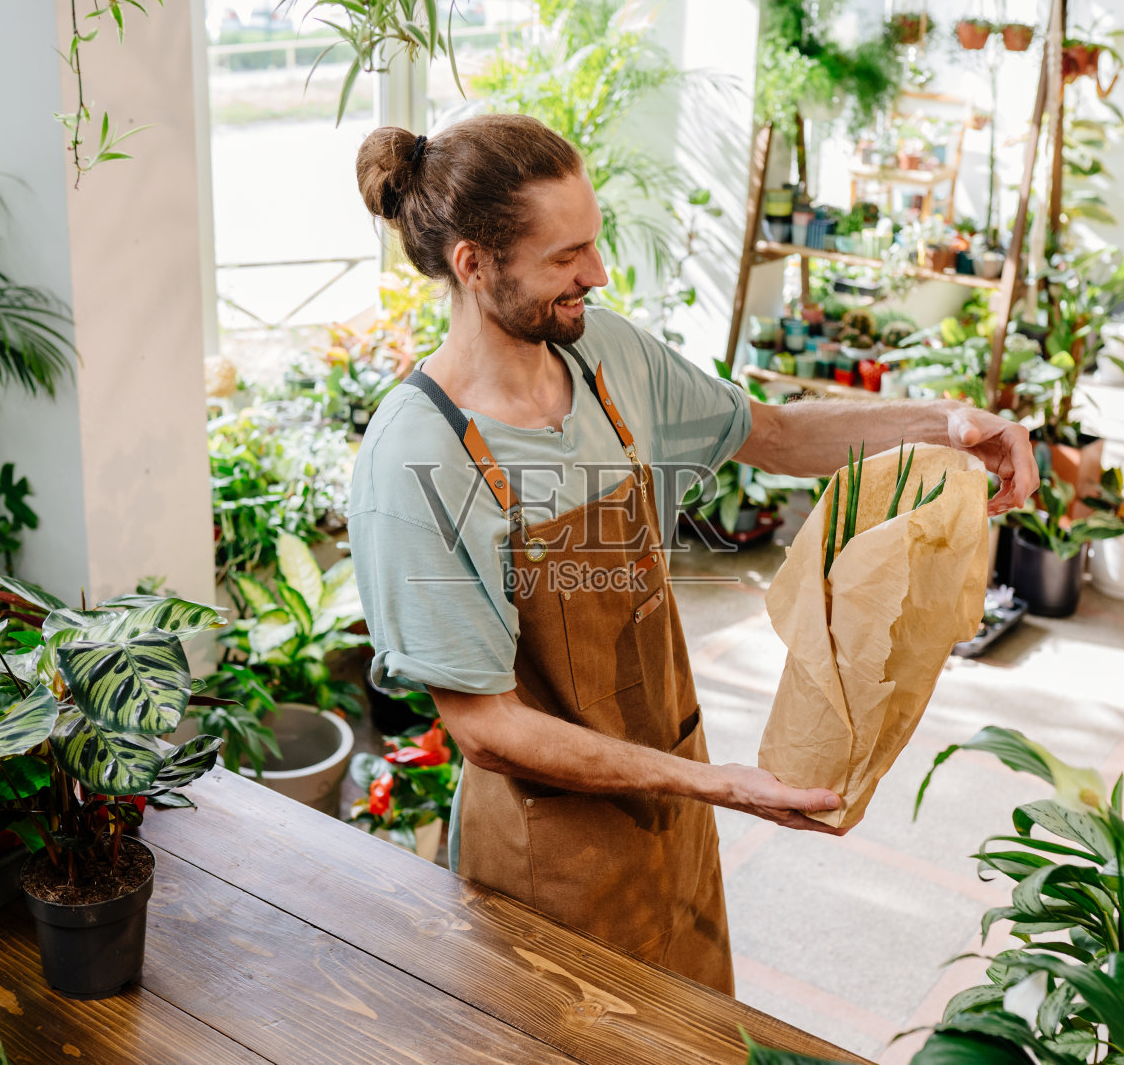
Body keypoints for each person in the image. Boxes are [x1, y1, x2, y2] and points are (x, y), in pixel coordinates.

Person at [348, 114, 1037, 995]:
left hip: (671, 816)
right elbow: (486, 729)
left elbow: (776, 433)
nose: (597, 274)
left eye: (592, 244)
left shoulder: (604, 353)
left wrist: (947, 425)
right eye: (567, 257)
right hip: (544, 855)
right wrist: (715, 783)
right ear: (474, 264)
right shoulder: (420, 457)